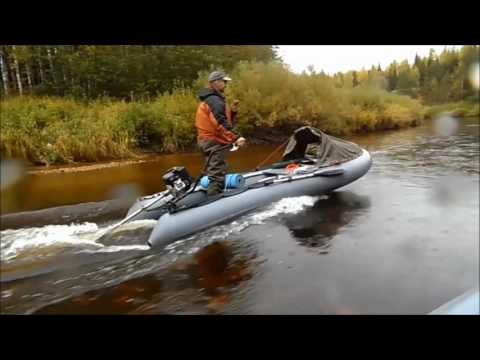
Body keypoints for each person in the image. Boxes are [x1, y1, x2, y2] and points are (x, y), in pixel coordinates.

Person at [195, 71, 246, 196]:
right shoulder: (214, 100)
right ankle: (213, 200)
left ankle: (213, 193)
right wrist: (236, 137)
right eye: (224, 82)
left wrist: (232, 112)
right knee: (217, 173)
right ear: (216, 82)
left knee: (215, 170)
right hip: (212, 140)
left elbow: (221, 119)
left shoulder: (210, 99)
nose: (226, 84)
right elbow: (220, 123)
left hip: (205, 140)